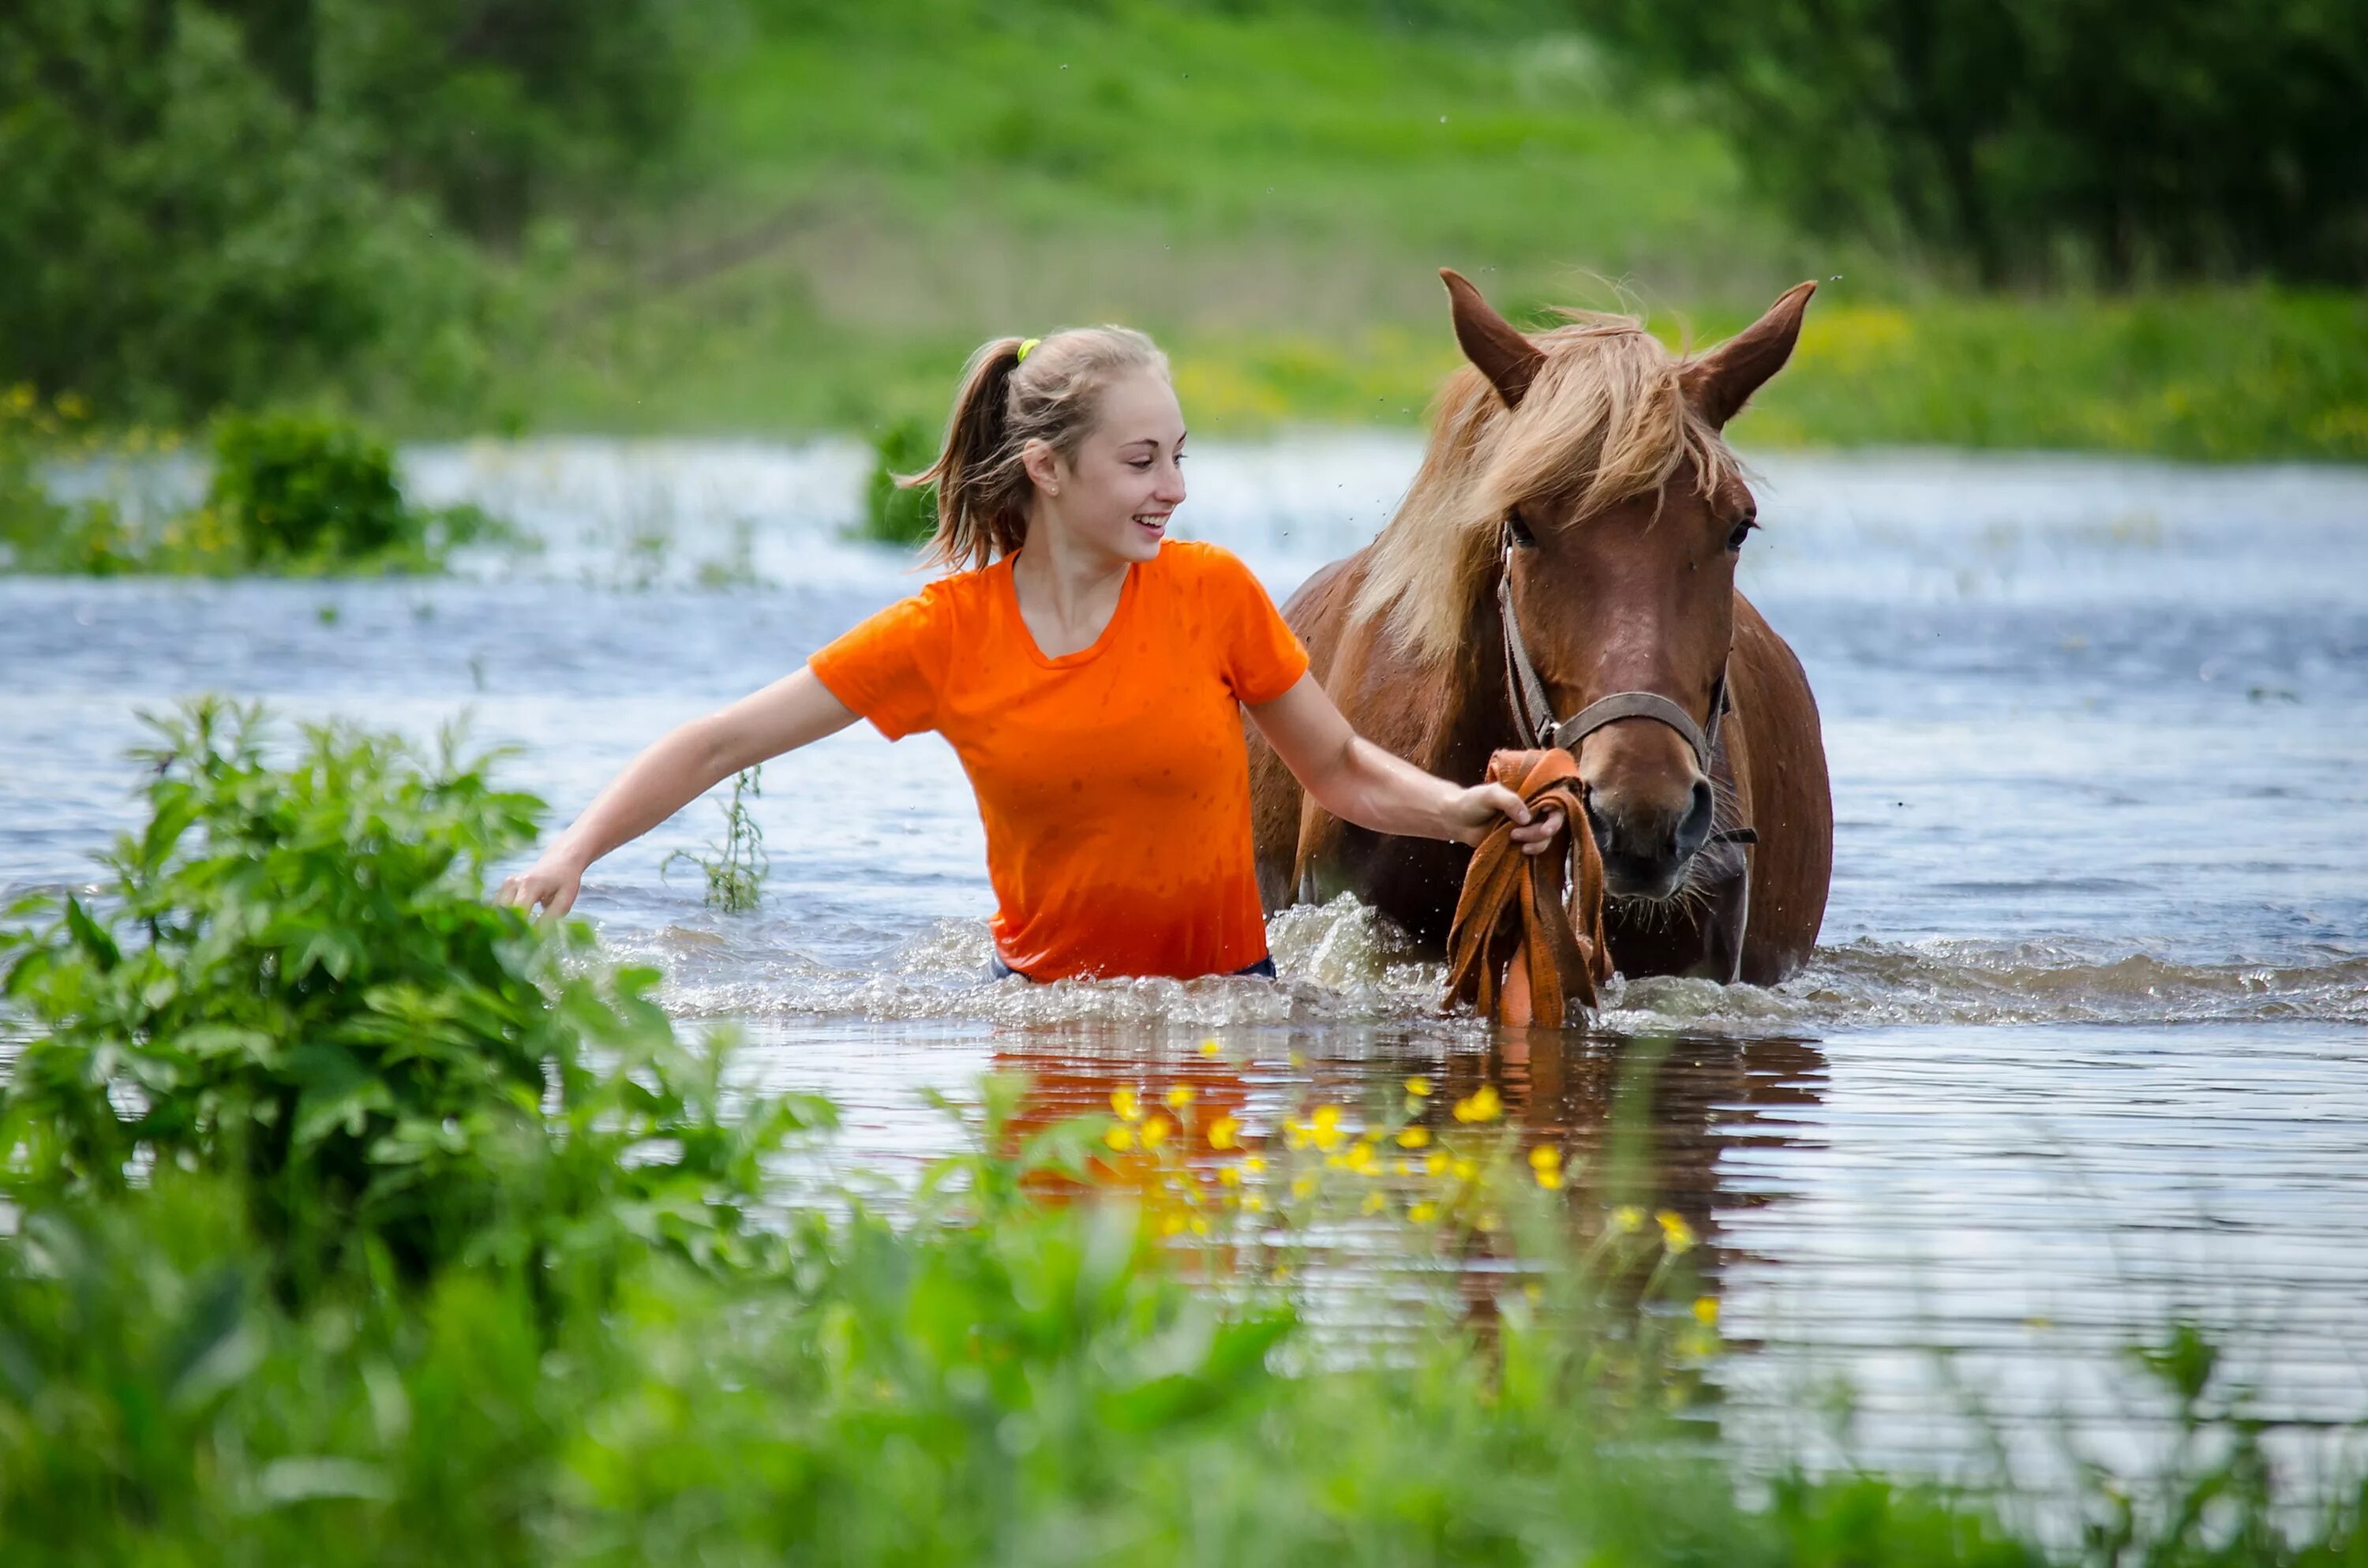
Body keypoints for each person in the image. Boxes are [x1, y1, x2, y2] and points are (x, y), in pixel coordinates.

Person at [497, 326, 1560, 981]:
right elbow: (720, 741)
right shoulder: (944, 633)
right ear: (1047, 469)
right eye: (1140, 460)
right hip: (1044, 1019)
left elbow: (1337, 770)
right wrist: (572, 852)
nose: (1173, 487)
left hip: (1227, 1011)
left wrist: (1456, 808)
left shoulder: (1212, 592)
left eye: (1179, 457)